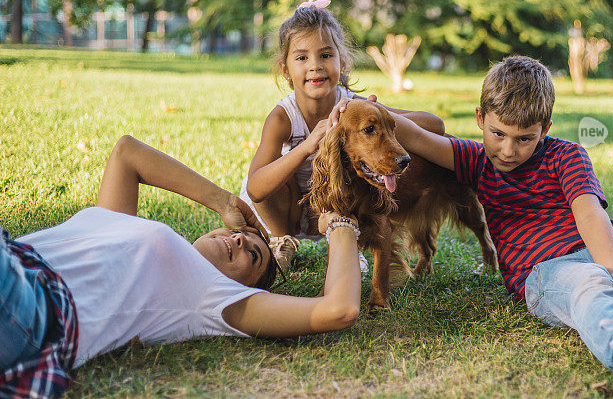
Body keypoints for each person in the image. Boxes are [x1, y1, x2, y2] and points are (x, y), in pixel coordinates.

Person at [332, 56, 613, 396]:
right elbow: (411, 133)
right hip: (544, 271)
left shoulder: (567, 154)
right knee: (590, 291)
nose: (509, 150)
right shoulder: (474, 159)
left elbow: (588, 212)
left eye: (524, 139)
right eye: (498, 134)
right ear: (480, 121)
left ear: (546, 127)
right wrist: (364, 107)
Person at [1, 135, 362, 398]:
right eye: (240, 234)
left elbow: (339, 309)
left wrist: (339, 223)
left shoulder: (213, 296)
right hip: (15, 259)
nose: (238, 241)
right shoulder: (117, 224)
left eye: (252, 255)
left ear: (248, 289)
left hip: (34, 306)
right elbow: (128, 153)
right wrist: (223, 200)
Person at [240, 0, 443, 271]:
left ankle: (347, 240)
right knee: (276, 171)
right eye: (301, 57)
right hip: (288, 210)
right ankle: (280, 241)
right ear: (285, 69)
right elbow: (255, 188)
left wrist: (379, 120)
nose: (315, 65)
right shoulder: (282, 118)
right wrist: (308, 144)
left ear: (342, 61)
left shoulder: (355, 109)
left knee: (354, 173)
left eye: (326, 54)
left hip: (335, 208)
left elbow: (435, 125)